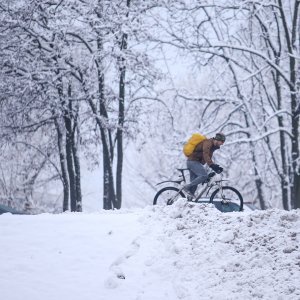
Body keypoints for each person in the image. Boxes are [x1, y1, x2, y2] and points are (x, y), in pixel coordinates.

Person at [183, 132, 226, 197]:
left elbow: (208, 158)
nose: (222, 144)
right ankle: (187, 187)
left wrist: (215, 166)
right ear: (217, 140)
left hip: (193, 162)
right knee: (204, 176)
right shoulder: (208, 143)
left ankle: (189, 201)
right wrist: (212, 165)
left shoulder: (212, 146)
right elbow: (205, 155)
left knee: (193, 187)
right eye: (222, 142)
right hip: (193, 162)